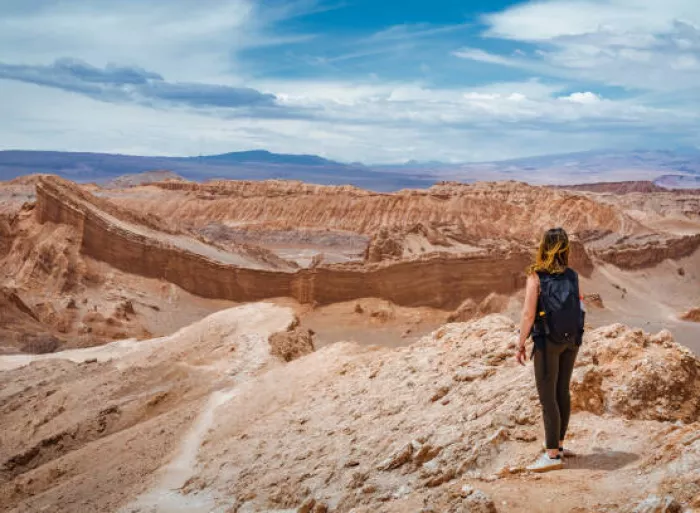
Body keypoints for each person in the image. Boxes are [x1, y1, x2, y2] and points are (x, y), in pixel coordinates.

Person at [516, 227, 584, 473]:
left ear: (544, 246)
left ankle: (552, 455)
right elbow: (580, 306)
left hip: (547, 342)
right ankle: (560, 445)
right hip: (571, 341)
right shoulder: (573, 275)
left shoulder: (536, 276)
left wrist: (520, 342)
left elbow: (528, 313)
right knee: (562, 392)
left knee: (547, 399)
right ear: (565, 249)